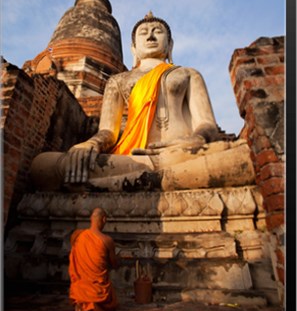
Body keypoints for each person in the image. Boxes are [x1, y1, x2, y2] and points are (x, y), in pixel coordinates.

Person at [31, 12, 255, 192]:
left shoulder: (188, 74)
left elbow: (208, 126)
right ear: (133, 49)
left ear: (170, 46)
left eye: (157, 32)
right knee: (43, 166)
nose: (150, 37)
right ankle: (150, 179)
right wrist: (91, 144)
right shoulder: (118, 81)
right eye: (144, 33)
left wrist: (195, 140)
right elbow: (108, 131)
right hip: (132, 158)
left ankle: (112, 186)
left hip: (184, 155)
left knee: (244, 157)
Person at [69, 207, 119, 311]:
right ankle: (92, 310)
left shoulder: (78, 237)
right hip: (98, 291)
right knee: (109, 292)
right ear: (104, 219)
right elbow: (114, 264)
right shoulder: (107, 240)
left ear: (91, 219)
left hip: (80, 289)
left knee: (79, 284)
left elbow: (74, 263)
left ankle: (81, 306)